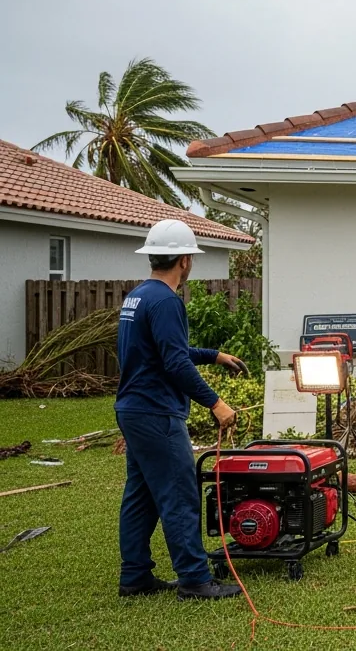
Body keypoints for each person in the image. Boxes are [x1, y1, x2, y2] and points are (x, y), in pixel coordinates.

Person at [116, 219, 249, 601]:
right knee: (179, 493)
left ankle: (135, 575)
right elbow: (174, 362)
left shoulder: (138, 297)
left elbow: (162, 351)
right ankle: (194, 579)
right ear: (185, 260)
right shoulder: (167, 301)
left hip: (133, 409)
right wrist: (217, 403)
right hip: (157, 412)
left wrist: (214, 355)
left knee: (141, 495)